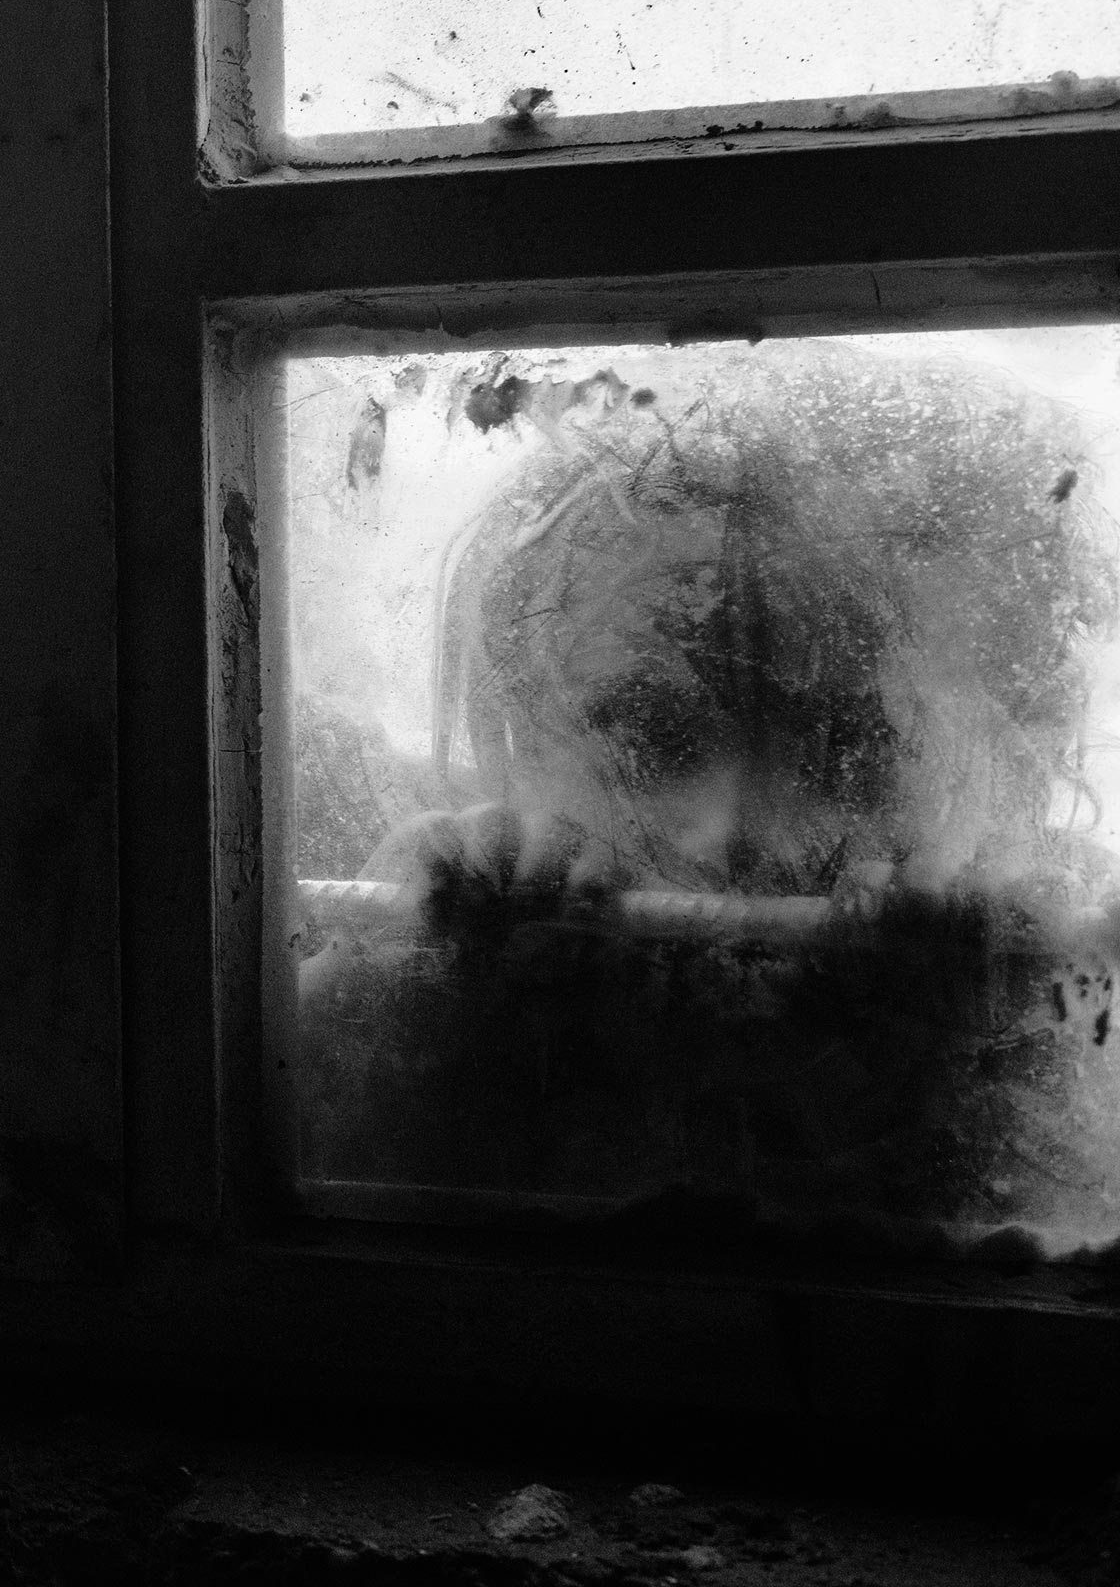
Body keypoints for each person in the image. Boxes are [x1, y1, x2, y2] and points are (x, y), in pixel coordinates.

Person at [299, 345, 1120, 1233]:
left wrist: (1018, 1046)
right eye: (651, 739)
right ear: (522, 744)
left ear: (1020, 765)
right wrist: (396, 991)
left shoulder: (1059, 964)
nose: (732, 835)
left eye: (845, 746)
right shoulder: (495, 953)